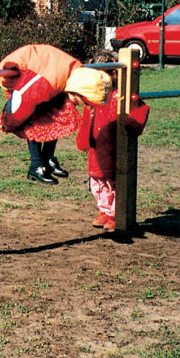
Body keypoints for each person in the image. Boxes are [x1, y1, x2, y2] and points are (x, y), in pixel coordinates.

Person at [0, 44, 112, 185]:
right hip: (16, 73)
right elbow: (21, 104)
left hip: (45, 69)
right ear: (78, 91)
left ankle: (47, 158)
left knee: (61, 113)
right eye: (83, 102)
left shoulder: (77, 72)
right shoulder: (45, 86)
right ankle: (37, 165)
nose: (83, 106)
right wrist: (6, 123)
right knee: (35, 121)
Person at [74, 63, 150, 232]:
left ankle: (117, 213)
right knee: (98, 182)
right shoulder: (92, 99)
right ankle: (105, 211)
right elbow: (87, 121)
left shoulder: (119, 97)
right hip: (97, 147)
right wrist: (83, 140)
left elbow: (140, 108)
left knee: (113, 182)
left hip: (113, 145)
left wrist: (131, 124)